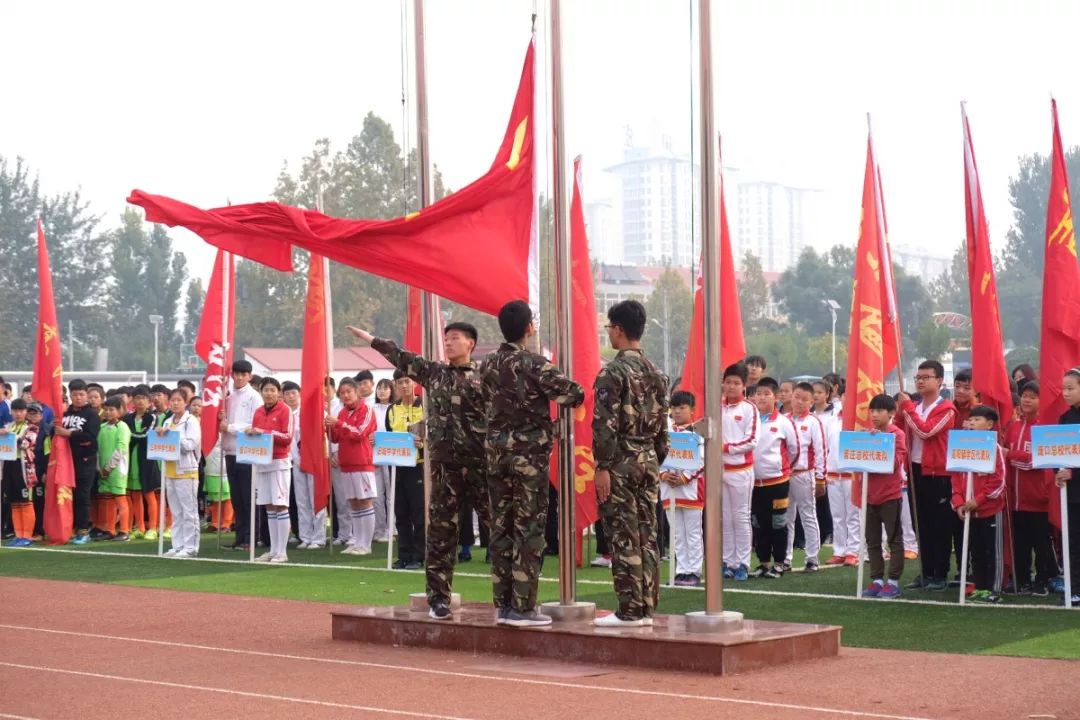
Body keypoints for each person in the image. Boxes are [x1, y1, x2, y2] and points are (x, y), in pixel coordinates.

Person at [350, 320, 489, 621]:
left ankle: (507, 598)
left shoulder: (485, 377)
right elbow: (402, 357)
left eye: (455, 338)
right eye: (446, 338)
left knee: (497, 529)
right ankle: (439, 598)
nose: (449, 343)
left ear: (471, 344)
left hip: (480, 467)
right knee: (440, 534)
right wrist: (372, 339)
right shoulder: (435, 373)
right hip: (443, 470)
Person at [481, 300, 584, 627]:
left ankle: (503, 604)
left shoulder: (488, 364)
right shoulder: (535, 364)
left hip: (497, 456)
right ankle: (523, 607)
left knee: (501, 528)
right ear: (529, 328)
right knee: (528, 530)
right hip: (528, 458)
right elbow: (573, 394)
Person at [591, 300, 668, 627]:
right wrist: (653, 456)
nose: (609, 332)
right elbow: (663, 427)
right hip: (648, 459)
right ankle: (647, 605)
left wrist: (603, 466)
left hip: (620, 460)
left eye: (609, 327)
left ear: (619, 330)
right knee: (647, 534)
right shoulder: (656, 372)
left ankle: (629, 609)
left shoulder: (612, 372)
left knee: (623, 534)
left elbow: (604, 424)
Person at [898, 361, 958, 592]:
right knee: (920, 524)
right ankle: (927, 571)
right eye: (917, 378)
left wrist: (908, 409)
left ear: (939, 380)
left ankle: (940, 573)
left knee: (939, 525)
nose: (920, 381)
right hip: (916, 470)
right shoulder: (914, 406)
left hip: (938, 473)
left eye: (926, 377)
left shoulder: (946, 409)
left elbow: (925, 431)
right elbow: (903, 430)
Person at [1003, 381, 1055, 596]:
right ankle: (1022, 580)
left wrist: (1011, 454)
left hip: (1039, 499)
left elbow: (1038, 461)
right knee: (1020, 544)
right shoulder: (1013, 427)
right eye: (1024, 395)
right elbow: (1005, 459)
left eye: (1033, 396)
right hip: (1015, 499)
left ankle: (1042, 581)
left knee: (1041, 544)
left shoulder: (1044, 428)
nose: (1026, 400)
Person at [951, 405, 1006, 603]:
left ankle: (993, 588)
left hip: (989, 511)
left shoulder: (995, 448)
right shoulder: (961, 448)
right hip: (969, 512)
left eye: (977, 420)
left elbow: (998, 482)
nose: (972, 423)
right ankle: (979, 586)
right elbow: (956, 478)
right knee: (975, 551)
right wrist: (959, 503)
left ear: (990, 425)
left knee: (991, 551)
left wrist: (978, 500)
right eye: (971, 420)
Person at [861, 394, 909, 599]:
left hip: (890, 495)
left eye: (880, 411)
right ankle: (877, 580)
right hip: (869, 494)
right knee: (872, 540)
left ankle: (894, 582)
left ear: (891, 413)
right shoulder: (867, 435)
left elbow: (897, 461)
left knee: (894, 539)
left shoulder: (896, 434)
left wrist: (878, 443)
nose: (875, 415)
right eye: (872, 411)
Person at [751, 377, 798, 578]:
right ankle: (763, 563)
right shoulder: (750, 419)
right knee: (758, 523)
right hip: (753, 482)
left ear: (775, 397)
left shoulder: (783, 421)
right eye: (758, 394)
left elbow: (794, 449)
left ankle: (780, 562)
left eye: (766, 394)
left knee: (778, 522)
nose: (761, 398)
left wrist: (784, 469)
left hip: (777, 482)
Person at [326, 377, 378, 557]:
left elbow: (360, 433)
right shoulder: (341, 413)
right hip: (346, 463)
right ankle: (357, 540)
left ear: (356, 392)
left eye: (349, 392)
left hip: (362, 462)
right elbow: (335, 439)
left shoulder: (367, 409)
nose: (346, 395)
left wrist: (339, 424)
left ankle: (366, 544)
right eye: (342, 393)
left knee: (365, 501)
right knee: (354, 504)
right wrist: (328, 427)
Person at [249, 377, 294, 563]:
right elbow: (254, 433)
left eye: (272, 390)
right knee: (268, 506)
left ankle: (282, 551)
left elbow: (287, 436)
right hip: (262, 463)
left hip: (279, 463)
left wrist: (264, 433)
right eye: (265, 390)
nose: (269, 393)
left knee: (280, 505)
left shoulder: (285, 410)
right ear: (261, 392)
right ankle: (273, 550)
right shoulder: (258, 411)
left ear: (279, 393)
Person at [721, 362, 759, 581]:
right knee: (725, 517)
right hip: (720, 470)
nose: (732, 387)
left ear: (744, 386)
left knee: (741, 517)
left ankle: (743, 563)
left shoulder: (749, 408)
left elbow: (752, 440)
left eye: (736, 383)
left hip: (741, 470)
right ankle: (728, 561)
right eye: (728, 382)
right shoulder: (717, 406)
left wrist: (725, 448)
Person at [663, 391, 704, 587]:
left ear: (692, 410)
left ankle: (694, 571)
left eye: (682, 408)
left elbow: (702, 461)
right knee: (677, 532)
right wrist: (663, 475)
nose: (678, 412)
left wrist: (684, 477)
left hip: (691, 489)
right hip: (668, 489)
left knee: (693, 532)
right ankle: (681, 570)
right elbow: (656, 458)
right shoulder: (664, 434)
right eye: (675, 408)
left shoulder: (697, 434)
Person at [386, 370, 425, 570]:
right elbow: (389, 434)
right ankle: (404, 554)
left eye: (407, 381)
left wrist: (423, 444)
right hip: (398, 465)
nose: (404, 386)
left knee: (419, 512)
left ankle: (419, 555)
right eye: (399, 382)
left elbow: (434, 436)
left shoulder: (425, 406)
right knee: (401, 512)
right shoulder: (393, 408)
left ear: (415, 383)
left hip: (419, 466)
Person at [54, 379, 101, 545]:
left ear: (86, 395)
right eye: (75, 394)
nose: (78, 398)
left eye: (81, 394)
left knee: (82, 496)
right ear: (70, 395)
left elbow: (90, 437)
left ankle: (83, 530)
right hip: (67, 462)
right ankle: (70, 528)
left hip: (85, 460)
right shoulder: (65, 414)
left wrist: (69, 434)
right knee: (67, 496)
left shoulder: (92, 415)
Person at [221, 360, 262, 551]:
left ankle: (251, 537)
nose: (238, 377)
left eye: (242, 374)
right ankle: (240, 536)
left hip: (247, 452)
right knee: (236, 498)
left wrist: (229, 427)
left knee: (248, 498)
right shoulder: (228, 397)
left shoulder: (254, 397)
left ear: (249, 376)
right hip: (230, 451)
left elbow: (253, 424)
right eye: (236, 374)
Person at [785, 382, 826, 572]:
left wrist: (820, 478)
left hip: (804, 474)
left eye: (804, 399)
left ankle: (812, 558)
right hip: (784, 477)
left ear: (811, 402)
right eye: (797, 397)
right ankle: (785, 557)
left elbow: (820, 451)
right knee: (786, 517)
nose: (799, 402)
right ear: (791, 397)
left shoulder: (813, 422)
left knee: (808, 515)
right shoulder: (783, 420)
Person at [159, 388, 202, 558]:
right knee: (176, 511)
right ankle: (178, 545)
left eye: (179, 400)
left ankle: (191, 546)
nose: (175, 403)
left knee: (189, 510)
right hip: (170, 470)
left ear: (186, 403)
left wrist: (171, 435)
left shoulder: (190, 421)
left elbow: (189, 445)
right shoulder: (167, 421)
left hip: (187, 471)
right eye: (173, 400)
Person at [1054, 368, 1080, 607]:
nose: (1066, 393)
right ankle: (1075, 588)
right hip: (1072, 494)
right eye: (1063, 388)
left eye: (1071, 388)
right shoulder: (1065, 418)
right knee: (1072, 540)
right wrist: (1058, 473)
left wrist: (1075, 471)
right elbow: (1058, 451)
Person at [124, 385, 160, 540]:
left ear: (149, 401)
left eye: (144, 398)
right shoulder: (127, 418)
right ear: (133, 400)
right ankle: (140, 527)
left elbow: (145, 435)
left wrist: (131, 434)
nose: (140, 401)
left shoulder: (152, 417)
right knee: (135, 494)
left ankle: (152, 527)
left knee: (149, 494)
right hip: (131, 459)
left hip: (146, 460)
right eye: (137, 398)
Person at [2, 399, 38, 546]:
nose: (18, 414)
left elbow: (27, 443)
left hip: (23, 467)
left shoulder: (31, 428)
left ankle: (27, 536)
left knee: (25, 501)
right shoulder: (8, 426)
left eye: (21, 411)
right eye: (15, 411)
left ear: (26, 412)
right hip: (8, 465)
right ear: (11, 412)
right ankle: (19, 534)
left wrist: (10, 435)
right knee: (14, 501)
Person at [96, 396, 132, 541]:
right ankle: (109, 529)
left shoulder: (122, 427)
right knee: (107, 500)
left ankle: (124, 530)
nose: (109, 412)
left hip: (117, 470)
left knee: (120, 499)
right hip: (103, 470)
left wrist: (109, 468)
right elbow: (98, 449)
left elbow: (121, 449)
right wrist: (99, 468)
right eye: (106, 409)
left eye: (112, 410)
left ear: (120, 411)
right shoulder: (102, 427)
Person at [371, 378, 394, 543]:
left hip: (390, 452)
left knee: (390, 493)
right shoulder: (370, 408)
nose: (382, 391)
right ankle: (379, 529)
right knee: (377, 495)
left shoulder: (395, 408)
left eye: (386, 388)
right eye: (379, 388)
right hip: (373, 453)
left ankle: (391, 528)